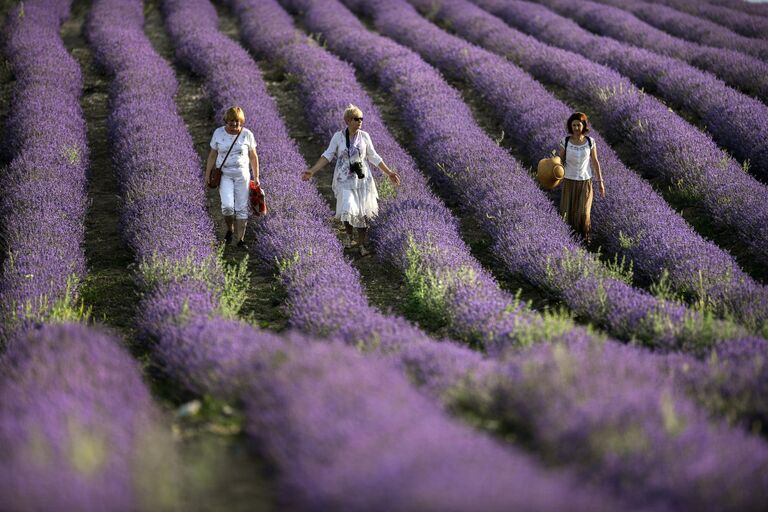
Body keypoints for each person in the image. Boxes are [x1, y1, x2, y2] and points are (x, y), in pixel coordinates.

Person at [302, 104, 400, 256]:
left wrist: (389, 173)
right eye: (356, 119)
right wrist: (312, 170)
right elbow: (328, 155)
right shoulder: (338, 136)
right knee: (347, 208)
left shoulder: (365, 136)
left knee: (363, 213)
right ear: (347, 120)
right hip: (343, 179)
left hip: (362, 180)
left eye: (361, 119)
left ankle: (361, 245)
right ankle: (348, 236)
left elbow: (373, 156)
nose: (359, 121)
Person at [205, 106, 259, 249]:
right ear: (226, 121)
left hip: (242, 174)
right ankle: (230, 229)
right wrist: (207, 173)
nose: (235, 124)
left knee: (241, 208)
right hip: (225, 174)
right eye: (231, 121)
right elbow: (212, 155)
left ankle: (240, 240)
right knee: (227, 207)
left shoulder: (247, 134)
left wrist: (256, 176)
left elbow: (253, 157)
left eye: (237, 121)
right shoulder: (218, 133)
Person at [558, 112, 605, 242]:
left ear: (584, 125)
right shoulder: (565, 141)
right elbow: (559, 160)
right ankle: (568, 239)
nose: (576, 128)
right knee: (568, 212)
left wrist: (600, 181)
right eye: (573, 125)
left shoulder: (590, 142)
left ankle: (585, 239)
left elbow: (595, 162)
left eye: (578, 125)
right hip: (569, 181)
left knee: (584, 213)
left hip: (585, 181)